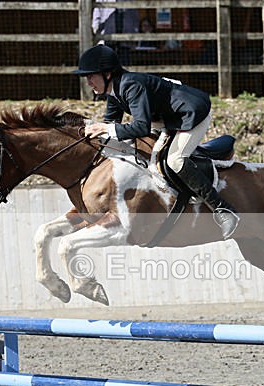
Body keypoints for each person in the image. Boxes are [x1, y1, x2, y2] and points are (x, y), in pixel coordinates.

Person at [74, 44, 239, 239]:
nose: (88, 82)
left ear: (107, 74)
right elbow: (112, 126)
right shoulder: (113, 93)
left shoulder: (130, 85)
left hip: (191, 114)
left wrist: (106, 128)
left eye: (91, 76)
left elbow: (140, 127)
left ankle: (223, 210)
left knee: (175, 160)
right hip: (164, 118)